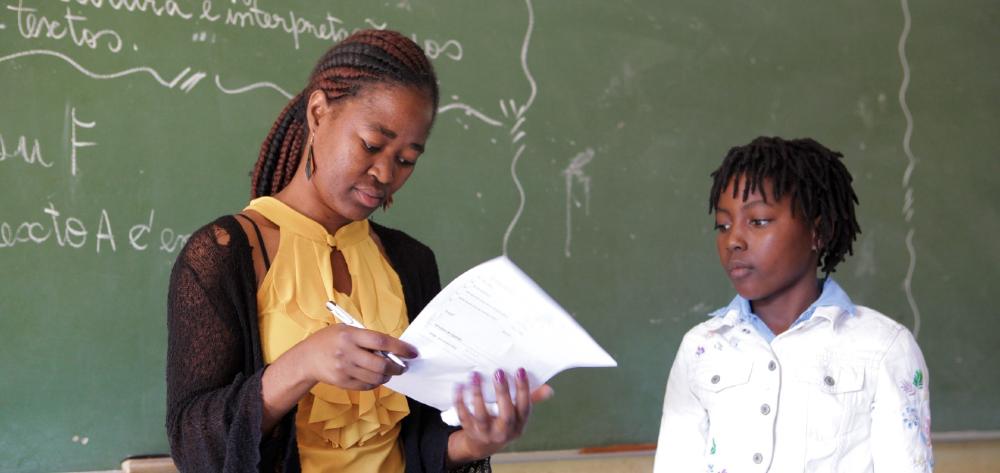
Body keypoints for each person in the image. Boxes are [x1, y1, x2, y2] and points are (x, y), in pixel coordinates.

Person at [166, 29, 550, 473]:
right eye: (371, 144)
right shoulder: (225, 255)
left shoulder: (409, 262)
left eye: (407, 159)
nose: (385, 172)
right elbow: (193, 447)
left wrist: (473, 441)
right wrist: (304, 363)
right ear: (317, 113)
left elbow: (418, 445)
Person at [653, 137, 933, 472]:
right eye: (723, 225)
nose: (733, 241)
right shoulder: (701, 349)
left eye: (757, 221)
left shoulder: (883, 347)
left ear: (818, 231)